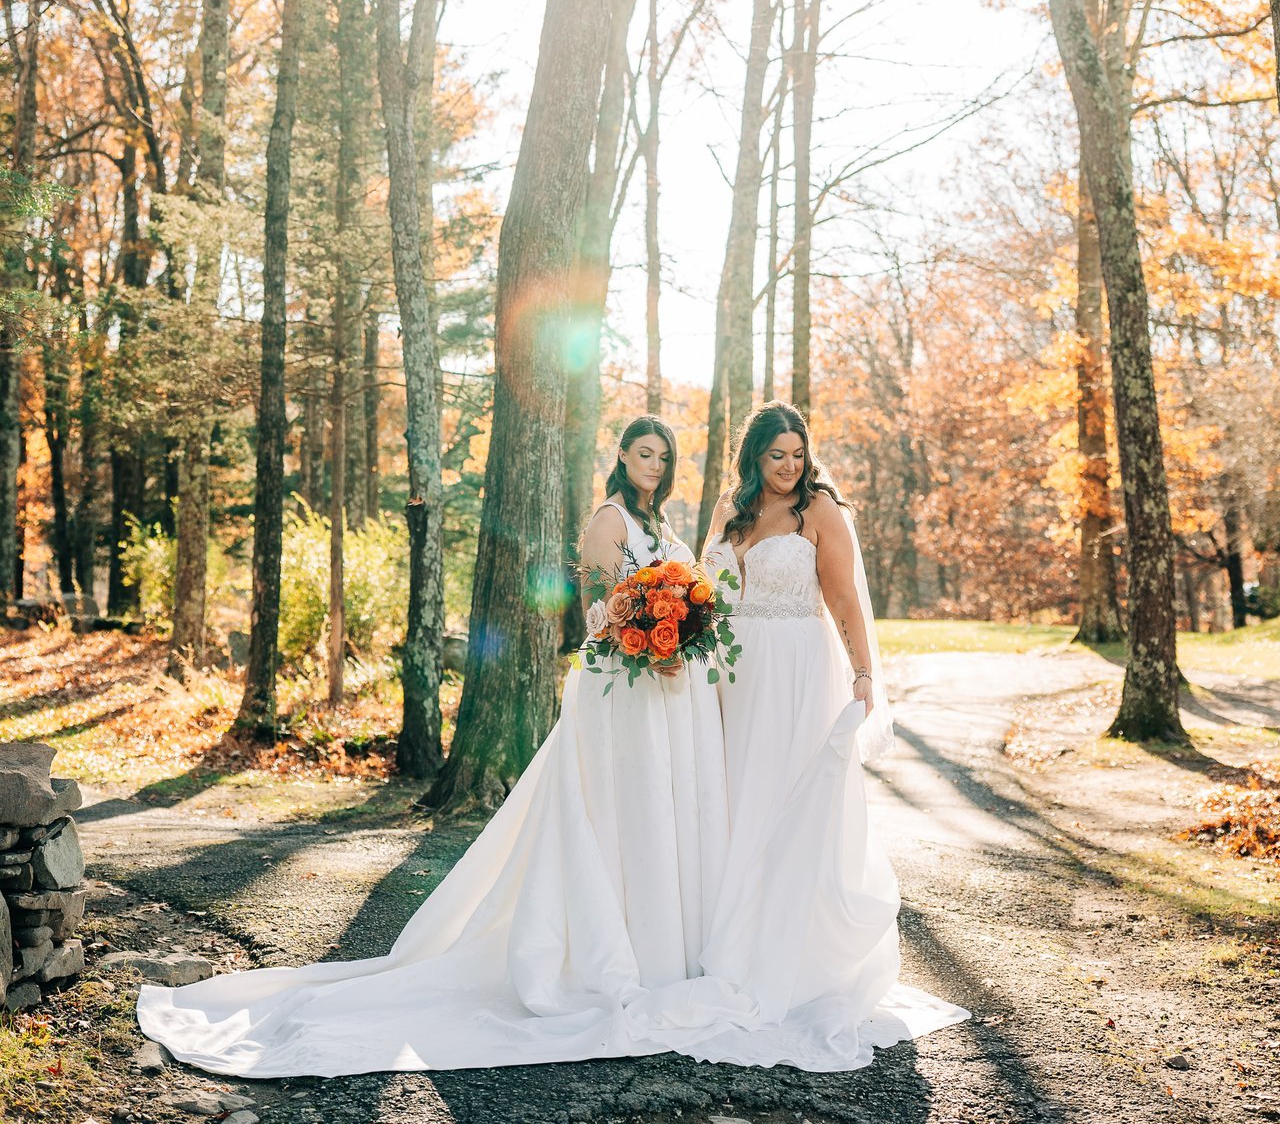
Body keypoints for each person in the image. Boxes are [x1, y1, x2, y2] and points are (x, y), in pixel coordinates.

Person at [136, 415, 727, 1076]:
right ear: (622, 455)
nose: (654, 463)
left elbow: (677, 592)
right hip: (618, 689)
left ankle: (657, 942)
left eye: (663, 455)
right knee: (614, 816)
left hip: (660, 692)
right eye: (643, 452)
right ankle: (604, 952)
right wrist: (644, 633)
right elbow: (602, 611)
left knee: (652, 818)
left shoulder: (664, 523)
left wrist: (682, 633)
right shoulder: (608, 519)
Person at [696, 400, 969, 1070]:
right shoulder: (729, 509)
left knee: (788, 795)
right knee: (732, 793)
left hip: (796, 667)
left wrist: (863, 673)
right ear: (753, 458)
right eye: (774, 456)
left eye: (795, 453)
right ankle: (721, 933)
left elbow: (843, 597)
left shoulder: (819, 511)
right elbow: (705, 589)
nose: (787, 467)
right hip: (731, 670)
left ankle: (788, 952)